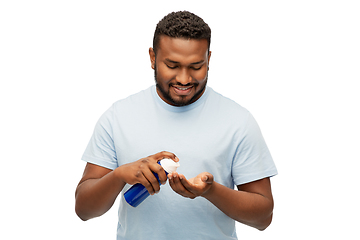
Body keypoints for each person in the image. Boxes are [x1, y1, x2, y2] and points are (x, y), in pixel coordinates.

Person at [75, 10, 277, 239]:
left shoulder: (238, 121)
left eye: (196, 66)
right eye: (172, 65)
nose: (184, 79)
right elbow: (84, 209)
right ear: (152, 58)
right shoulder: (118, 117)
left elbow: (263, 218)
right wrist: (119, 175)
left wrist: (211, 191)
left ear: (209, 59)